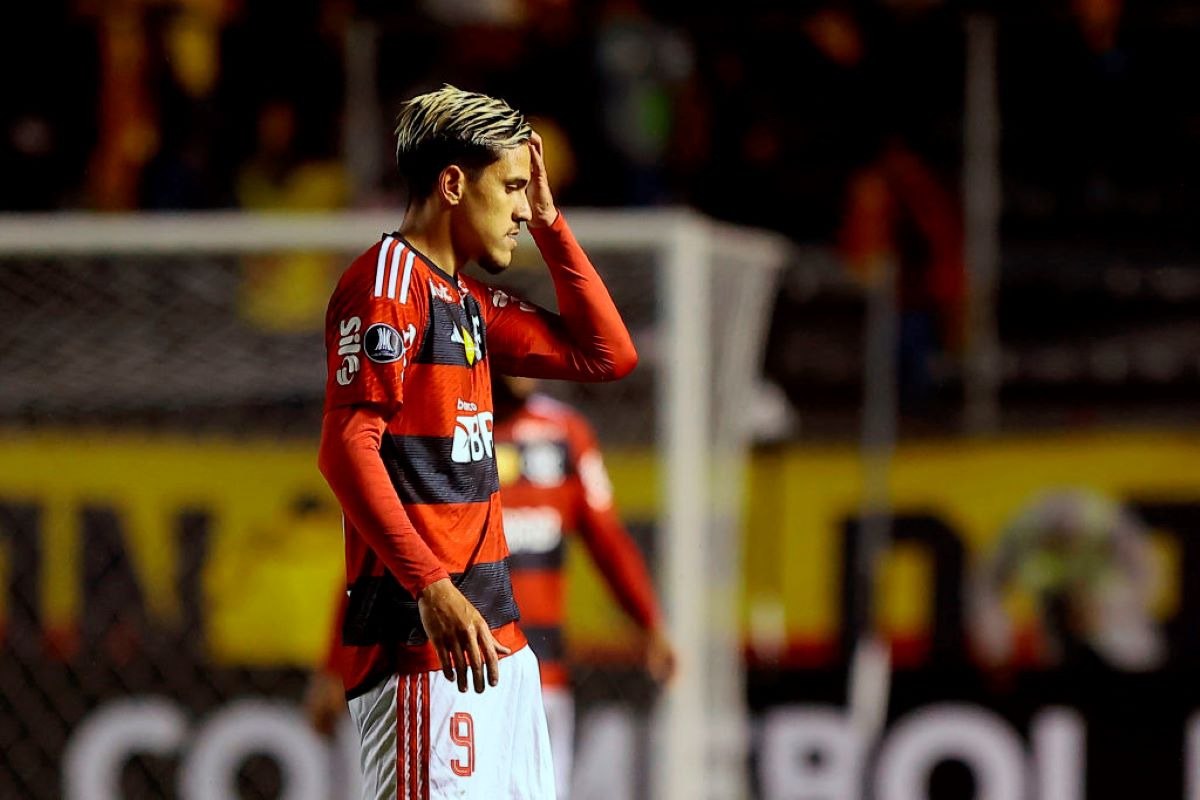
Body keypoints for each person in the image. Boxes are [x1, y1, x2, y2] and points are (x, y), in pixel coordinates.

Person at [317, 85, 637, 799]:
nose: (525, 208)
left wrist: (554, 224)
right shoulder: (384, 286)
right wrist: (431, 588)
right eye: (515, 188)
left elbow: (607, 356)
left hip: (500, 649)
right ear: (455, 183)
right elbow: (345, 447)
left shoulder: (466, 301)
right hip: (424, 649)